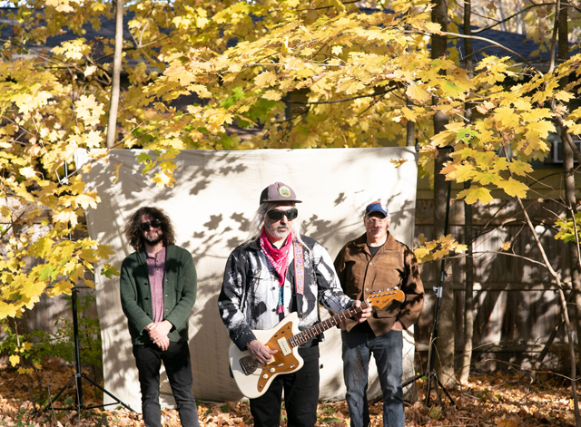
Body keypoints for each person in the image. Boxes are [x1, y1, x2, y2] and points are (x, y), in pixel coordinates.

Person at [218, 182, 371, 427]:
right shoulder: (243, 255)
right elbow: (228, 303)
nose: (284, 220)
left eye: (290, 213)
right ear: (262, 216)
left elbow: (330, 293)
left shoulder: (311, 250)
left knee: (304, 419)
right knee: (265, 421)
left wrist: (351, 306)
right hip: (261, 350)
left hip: (304, 346)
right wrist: (249, 341)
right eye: (276, 214)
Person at [334, 201, 424, 427]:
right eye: (371, 219)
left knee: (392, 388)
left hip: (388, 332)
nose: (376, 224)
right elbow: (332, 289)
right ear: (364, 222)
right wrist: (341, 318)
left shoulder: (402, 252)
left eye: (380, 219)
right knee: (354, 390)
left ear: (388, 222)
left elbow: (415, 293)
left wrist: (400, 324)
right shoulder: (349, 250)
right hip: (354, 331)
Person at [120, 207, 199, 427]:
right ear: (138, 231)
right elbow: (128, 301)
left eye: (155, 222)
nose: (151, 228)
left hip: (175, 337)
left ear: (162, 225)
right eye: (144, 226)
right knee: (149, 394)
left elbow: (189, 296)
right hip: (144, 340)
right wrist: (151, 329)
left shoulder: (182, 257)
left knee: (184, 395)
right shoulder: (130, 263)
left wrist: (166, 326)